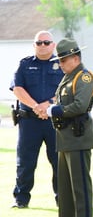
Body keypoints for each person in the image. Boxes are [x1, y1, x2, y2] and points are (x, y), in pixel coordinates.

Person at [10, 31, 64, 208]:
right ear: (34, 45)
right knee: (25, 161)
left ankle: (62, 200)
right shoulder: (24, 64)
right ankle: (21, 199)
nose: (42, 45)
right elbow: (17, 88)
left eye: (46, 42)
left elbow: (67, 90)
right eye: (38, 43)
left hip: (53, 122)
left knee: (58, 161)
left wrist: (47, 105)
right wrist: (36, 106)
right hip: (29, 121)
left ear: (53, 45)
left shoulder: (63, 65)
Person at [46, 38, 93, 217]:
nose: (60, 64)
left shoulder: (83, 76)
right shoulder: (68, 78)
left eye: (63, 60)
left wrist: (56, 110)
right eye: (59, 60)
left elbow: (80, 105)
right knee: (66, 192)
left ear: (75, 58)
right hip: (65, 139)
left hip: (78, 138)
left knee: (80, 190)